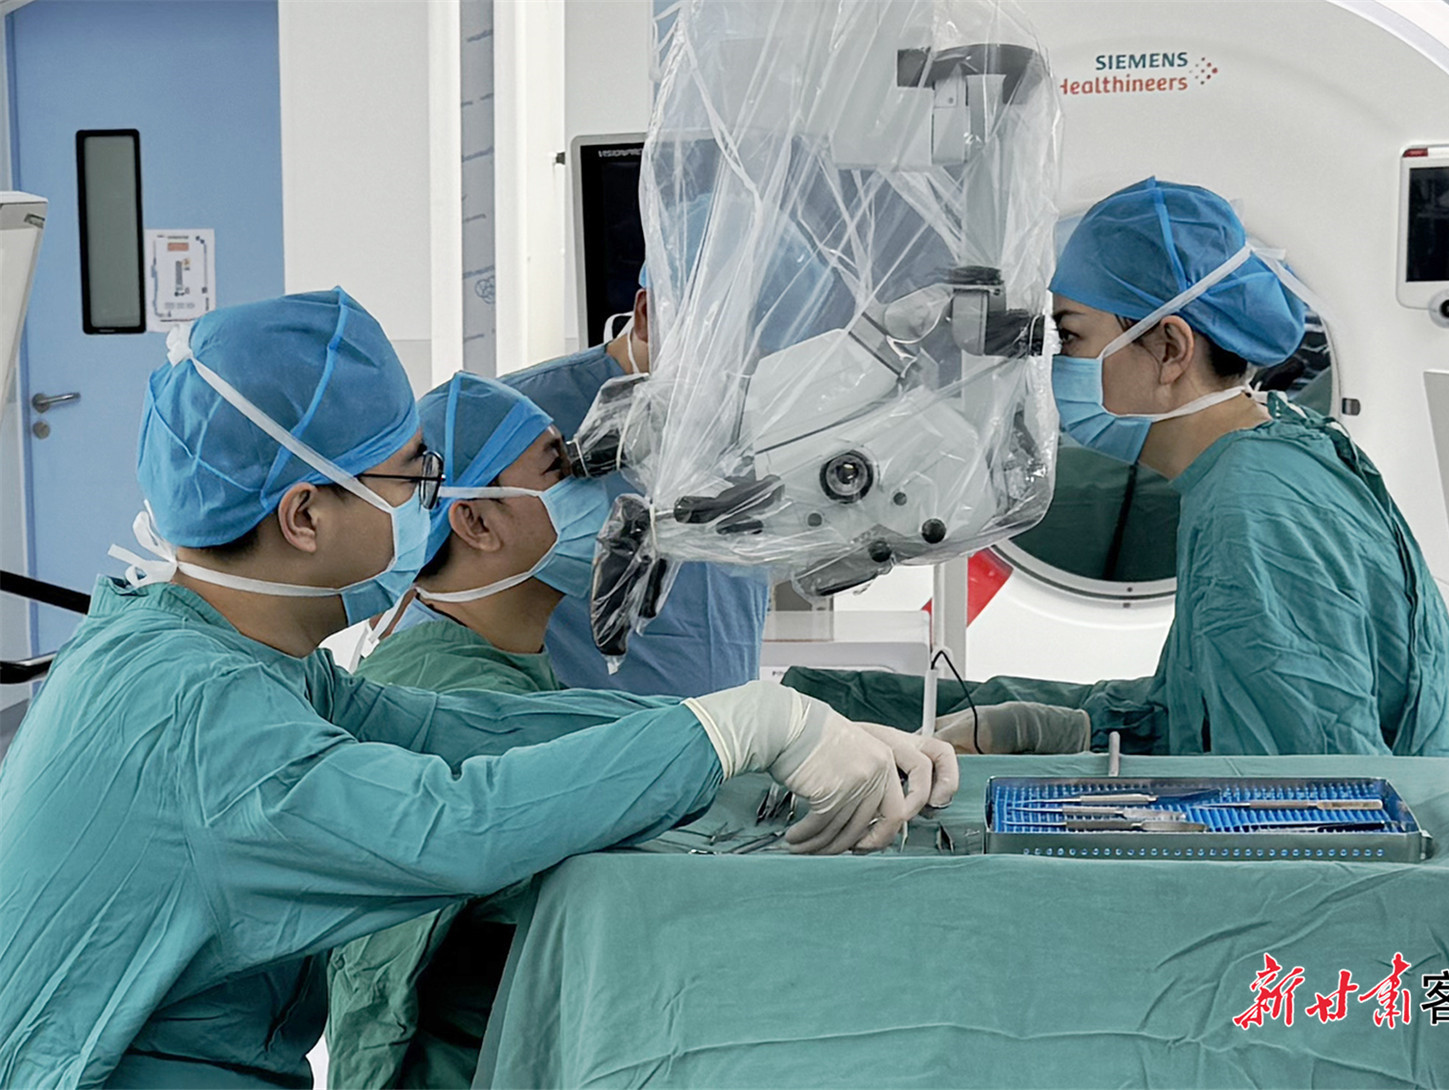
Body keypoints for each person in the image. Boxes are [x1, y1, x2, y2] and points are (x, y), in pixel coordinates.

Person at [0, 290, 957, 1088]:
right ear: (303, 516)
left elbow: (471, 731)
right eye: (411, 476)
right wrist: (736, 728)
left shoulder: (226, 655)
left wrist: (760, 730)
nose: (429, 499)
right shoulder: (198, 716)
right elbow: (450, 823)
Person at [796, 179, 1449, 760]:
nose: (1053, 364)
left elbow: (1307, 800)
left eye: (1071, 336)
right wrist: (1063, 730)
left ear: (1171, 348)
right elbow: (1205, 712)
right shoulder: (1275, 450)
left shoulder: (1255, 507)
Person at [324, 371, 598, 1088]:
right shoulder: (455, 699)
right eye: (561, 471)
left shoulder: (475, 657)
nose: (596, 492)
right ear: (476, 522)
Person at [500, 269, 771, 697]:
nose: (745, 370)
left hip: (723, 724)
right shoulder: (521, 417)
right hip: (577, 724)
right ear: (647, 315)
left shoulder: (758, 414)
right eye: (727, 346)